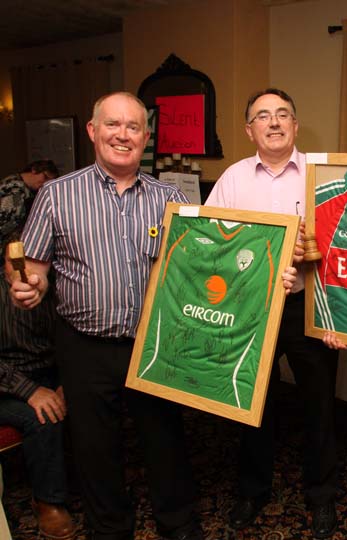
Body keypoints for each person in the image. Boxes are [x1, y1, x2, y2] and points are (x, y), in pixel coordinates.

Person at [9, 92, 203, 540]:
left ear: (146, 137)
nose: (123, 134)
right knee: (95, 448)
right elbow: (32, 270)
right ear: (93, 132)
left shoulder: (169, 197)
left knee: (165, 440)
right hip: (84, 346)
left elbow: (193, 268)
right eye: (112, 125)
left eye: (133, 127)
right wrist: (27, 286)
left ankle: (178, 523)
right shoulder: (56, 195)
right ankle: (110, 528)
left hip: (153, 341)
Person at [205, 88, 339, 539]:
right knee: (251, 401)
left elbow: (342, 243)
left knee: (319, 405)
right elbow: (215, 245)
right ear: (250, 130)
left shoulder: (322, 175)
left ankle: (321, 496)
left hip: (309, 305)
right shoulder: (232, 179)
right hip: (252, 307)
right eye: (263, 116)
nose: (274, 122)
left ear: (296, 125)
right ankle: (252, 489)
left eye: (283, 114)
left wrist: (311, 255)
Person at [1, 230, 75, 540]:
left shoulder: (57, 288)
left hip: (50, 374)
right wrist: (30, 391)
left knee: (93, 398)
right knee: (42, 417)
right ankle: (48, 501)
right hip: (6, 385)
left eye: (38, 260)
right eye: (19, 260)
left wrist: (67, 383)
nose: (27, 268)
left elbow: (72, 341)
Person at [0, 159, 59, 252]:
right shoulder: (15, 189)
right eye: (45, 177)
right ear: (34, 170)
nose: (45, 183)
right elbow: (7, 223)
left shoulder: (23, 188)